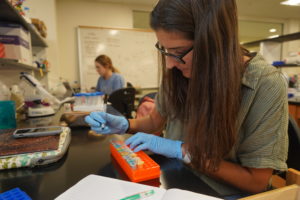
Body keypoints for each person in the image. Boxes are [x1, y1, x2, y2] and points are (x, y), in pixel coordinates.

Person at [85, 0, 288, 198]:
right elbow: (155, 121)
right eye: (164, 50)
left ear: (216, 42)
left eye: (179, 52)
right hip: (175, 176)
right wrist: (124, 124)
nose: (169, 65)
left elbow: (255, 182)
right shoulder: (179, 70)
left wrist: (181, 151)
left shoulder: (264, 84)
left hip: (222, 192)